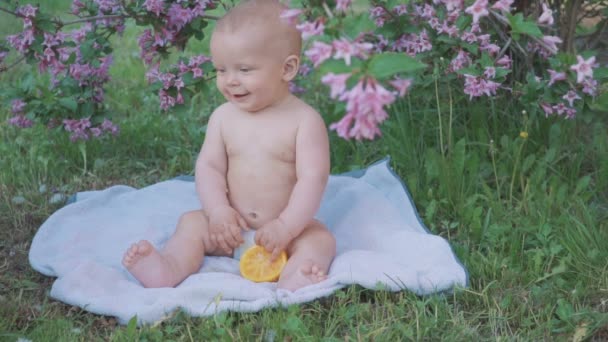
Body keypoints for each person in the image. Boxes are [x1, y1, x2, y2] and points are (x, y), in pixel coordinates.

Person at [122, 0, 336, 291]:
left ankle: (295, 275)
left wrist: (286, 227)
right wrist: (218, 211)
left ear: (287, 69)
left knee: (320, 239)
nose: (230, 81)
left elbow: (313, 179)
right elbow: (209, 167)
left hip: (284, 232)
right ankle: (167, 268)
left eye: (245, 70)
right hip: (229, 231)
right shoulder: (223, 118)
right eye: (222, 70)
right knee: (191, 224)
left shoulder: (304, 121)